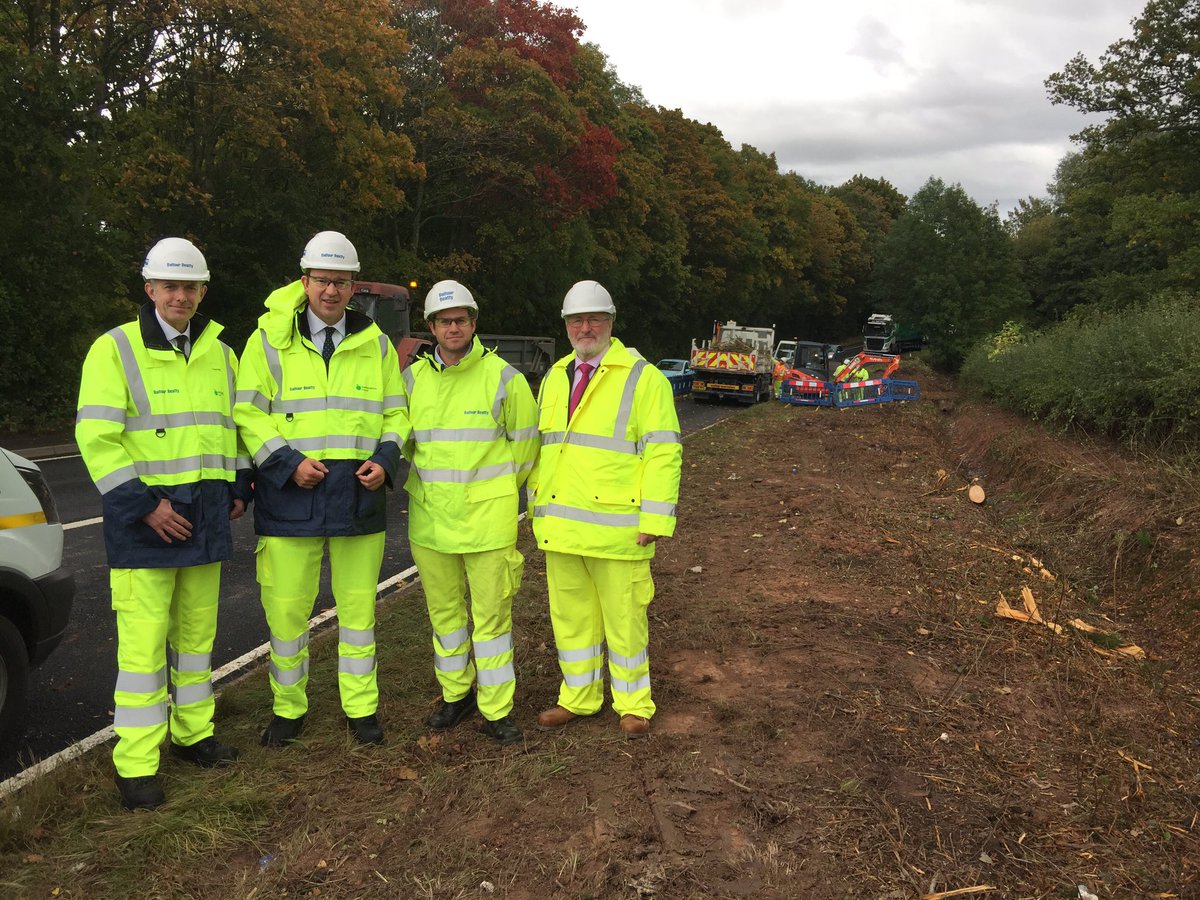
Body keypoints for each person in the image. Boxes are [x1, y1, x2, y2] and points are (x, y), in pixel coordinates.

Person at [76, 237, 250, 811]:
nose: (180, 296)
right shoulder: (115, 350)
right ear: (149, 289)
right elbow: (95, 439)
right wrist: (144, 504)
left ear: (203, 292)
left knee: (198, 640)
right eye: (169, 286)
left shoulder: (222, 355)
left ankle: (193, 734)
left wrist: (234, 486)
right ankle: (137, 764)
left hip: (204, 513)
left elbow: (228, 431)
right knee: (144, 650)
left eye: (190, 286)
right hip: (144, 519)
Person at [233, 231, 406, 748]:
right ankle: (289, 711)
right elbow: (246, 412)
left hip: (357, 494)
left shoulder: (374, 342)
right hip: (290, 496)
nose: (332, 291)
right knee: (287, 612)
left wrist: (384, 459)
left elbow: (397, 412)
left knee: (358, 613)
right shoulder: (266, 340)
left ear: (355, 287)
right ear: (304, 281)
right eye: (323, 280)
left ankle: (361, 709)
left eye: (342, 281)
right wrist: (285, 464)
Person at [528, 280, 682, 738]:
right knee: (571, 619)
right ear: (567, 325)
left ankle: (634, 703)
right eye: (577, 319)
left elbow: (664, 451)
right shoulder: (556, 375)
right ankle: (578, 697)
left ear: (611, 323)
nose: (585, 327)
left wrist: (655, 519)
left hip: (619, 529)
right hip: (563, 527)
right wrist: (537, 502)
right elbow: (546, 448)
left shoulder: (642, 377)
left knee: (625, 620)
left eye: (595, 318)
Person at [401, 280, 539, 745]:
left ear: (473, 324)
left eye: (461, 319)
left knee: (492, 620)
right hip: (431, 523)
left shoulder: (504, 378)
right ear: (432, 327)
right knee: (444, 617)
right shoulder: (412, 380)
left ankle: (496, 709)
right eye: (445, 320)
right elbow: (402, 443)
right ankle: (455, 695)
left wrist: (493, 493)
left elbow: (525, 448)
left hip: (488, 524)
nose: (453, 327)